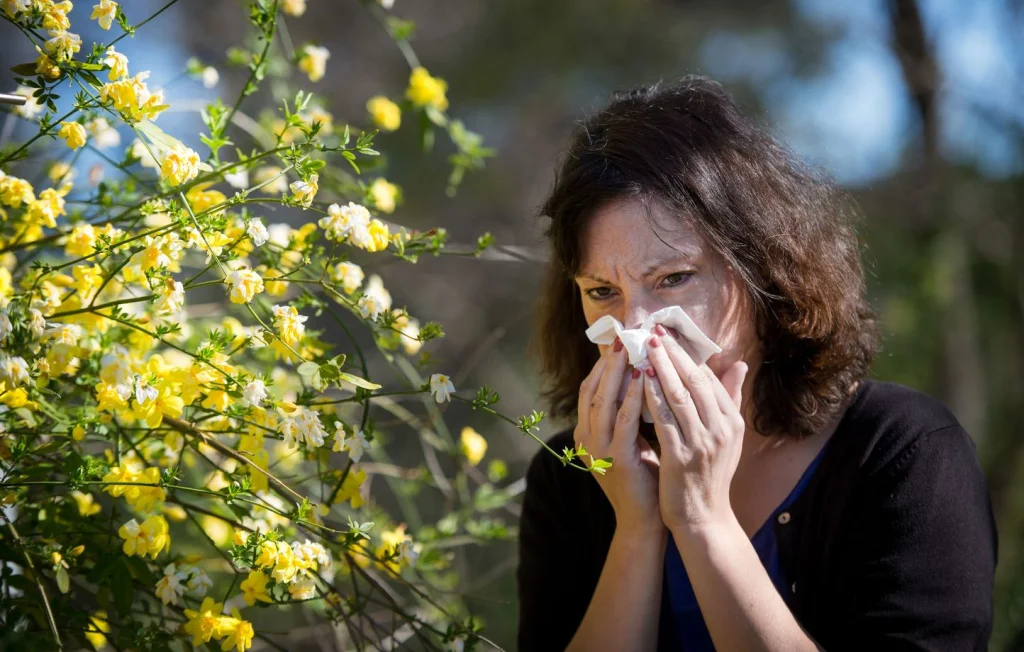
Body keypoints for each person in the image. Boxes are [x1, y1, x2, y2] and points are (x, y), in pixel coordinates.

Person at [517, 76, 997, 651]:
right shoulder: (569, 475)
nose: (636, 327)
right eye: (602, 291)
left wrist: (702, 520)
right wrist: (637, 529)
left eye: (673, 278)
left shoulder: (905, 453)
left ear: (762, 273)